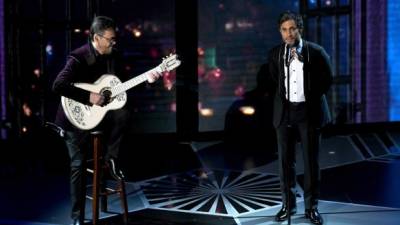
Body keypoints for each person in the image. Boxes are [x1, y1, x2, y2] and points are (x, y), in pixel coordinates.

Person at [52, 16, 161, 225]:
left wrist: (148, 80)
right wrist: (88, 97)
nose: (113, 42)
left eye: (114, 39)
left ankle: (111, 158)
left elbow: (123, 89)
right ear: (96, 37)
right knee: (78, 164)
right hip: (74, 119)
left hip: (99, 118)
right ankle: (77, 218)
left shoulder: (114, 57)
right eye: (110, 39)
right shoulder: (78, 58)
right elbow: (58, 85)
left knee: (124, 112)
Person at [264, 11, 333, 225]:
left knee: (311, 162)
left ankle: (311, 208)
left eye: (292, 29)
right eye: (284, 30)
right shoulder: (275, 54)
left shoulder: (316, 52)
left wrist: (308, 98)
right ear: (280, 32)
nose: (288, 34)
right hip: (285, 113)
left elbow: (326, 80)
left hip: (309, 113)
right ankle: (288, 205)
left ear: (299, 29)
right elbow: (275, 81)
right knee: (285, 162)